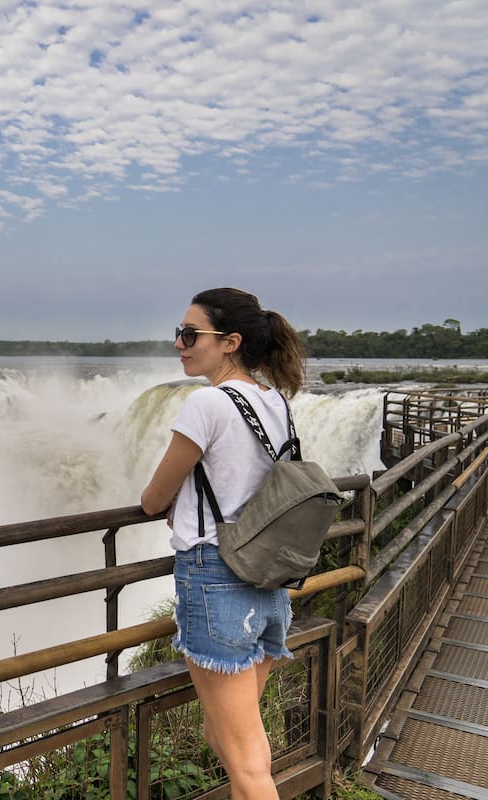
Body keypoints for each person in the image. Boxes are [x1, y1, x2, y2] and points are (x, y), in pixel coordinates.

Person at [139, 287, 306, 800]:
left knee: (249, 761)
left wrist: (171, 501)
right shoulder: (274, 400)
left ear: (230, 342)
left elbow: (152, 498)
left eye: (190, 335)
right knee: (232, 740)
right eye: (179, 334)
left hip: (216, 579)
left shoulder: (207, 403)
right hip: (267, 577)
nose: (179, 344)